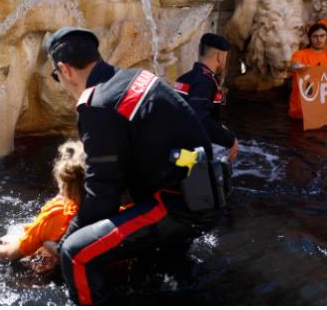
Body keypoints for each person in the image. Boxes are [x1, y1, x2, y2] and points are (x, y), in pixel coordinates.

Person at [48, 28, 224, 305]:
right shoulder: (136, 77)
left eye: (56, 76)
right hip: (204, 193)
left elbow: (103, 194)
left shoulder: (97, 104)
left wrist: (62, 242)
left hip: (176, 205)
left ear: (64, 69)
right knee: (155, 275)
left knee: (76, 254)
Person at [0, 139, 85, 274]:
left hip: (54, 270)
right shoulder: (102, 203)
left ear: (62, 181)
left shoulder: (57, 215)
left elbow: (7, 254)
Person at [174, 34, 238, 161]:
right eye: (225, 56)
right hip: (190, 157)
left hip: (175, 150)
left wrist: (219, 128)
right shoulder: (206, 82)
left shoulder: (184, 78)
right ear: (220, 56)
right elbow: (199, 119)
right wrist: (230, 140)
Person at [288, 23, 327, 120]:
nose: (319, 39)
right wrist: (301, 67)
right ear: (310, 38)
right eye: (315, 36)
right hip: (299, 114)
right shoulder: (300, 54)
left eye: (322, 36)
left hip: (322, 114)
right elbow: (293, 65)